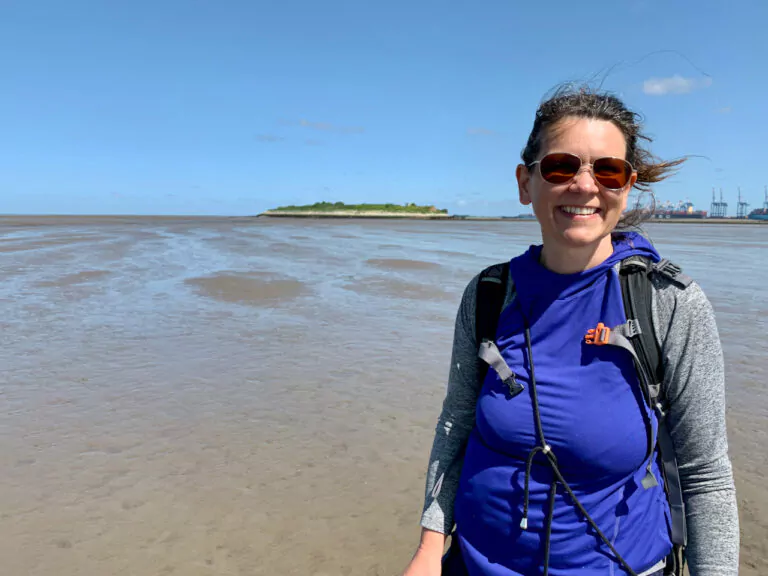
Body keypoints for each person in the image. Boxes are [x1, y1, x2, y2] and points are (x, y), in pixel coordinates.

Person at [401, 86, 739, 576]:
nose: (585, 185)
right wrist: (430, 549)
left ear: (627, 186)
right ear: (525, 183)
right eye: (562, 166)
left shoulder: (670, 303)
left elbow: (705, 474)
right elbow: (456, 424)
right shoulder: (489, 294)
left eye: (608, 170)